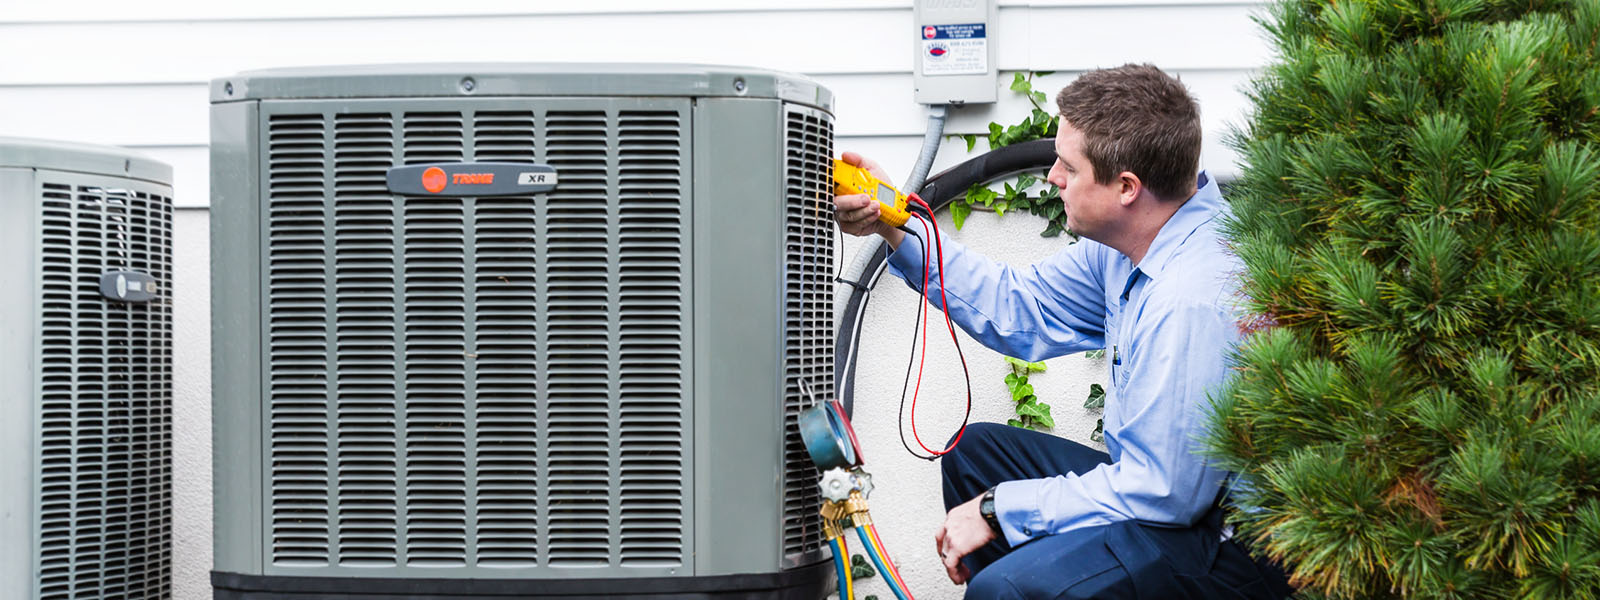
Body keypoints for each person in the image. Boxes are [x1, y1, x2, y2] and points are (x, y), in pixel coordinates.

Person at [832, 64, 1294, 599]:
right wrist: (894, 220)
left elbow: (1166, 495)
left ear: (1126, 187)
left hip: (1232, 550)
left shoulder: (1193, 297)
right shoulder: (1130, 248)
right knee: (978, 455)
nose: (1052, 176)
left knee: (1005, 589)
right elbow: (1018, 305)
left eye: (1068, 168)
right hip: (1170, 498)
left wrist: (999, 510)